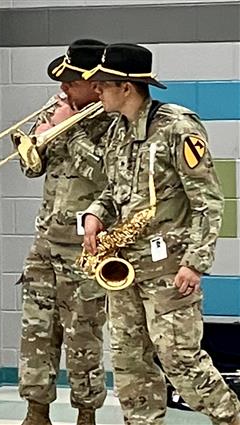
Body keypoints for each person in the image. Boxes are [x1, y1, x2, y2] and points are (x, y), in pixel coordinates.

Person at [82, 43, 240, 425]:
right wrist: (94, 215)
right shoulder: (116, 131)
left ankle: (229, 416)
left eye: (103, 84)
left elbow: (208, 201)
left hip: (171, 269)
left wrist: (195, 263)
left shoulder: (179, 127)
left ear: (127, 87)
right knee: (128, 361)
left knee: (180, 360)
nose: (96, 91)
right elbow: (113, 190)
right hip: (124, 267)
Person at [14, 39, 114, 425]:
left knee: (83, 335)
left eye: (72, 82)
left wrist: (67, 132)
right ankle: (35, 410)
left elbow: (111, 176)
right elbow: (31, 169)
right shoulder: (64, 114)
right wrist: (40, 138)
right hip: (44, 242)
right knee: (35, 331)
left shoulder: (113, 123)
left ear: (95, 83)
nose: (64, 89)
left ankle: (85, 413)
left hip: (84, 249)